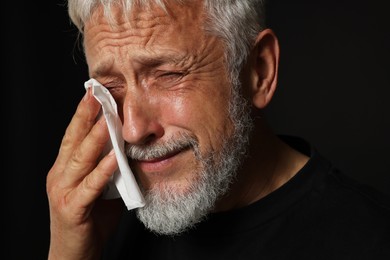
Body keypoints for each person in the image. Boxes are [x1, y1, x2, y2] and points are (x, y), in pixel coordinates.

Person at [46, 0, 390, 259]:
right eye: (111, 87)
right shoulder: (97, 228)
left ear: (259, 70)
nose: (133, 130)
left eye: (169, 75)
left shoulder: (370, 240)